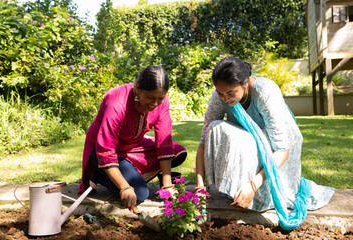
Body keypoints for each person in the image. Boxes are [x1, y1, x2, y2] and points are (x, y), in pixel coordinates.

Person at [194, 57, 334, 212]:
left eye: (231, 93)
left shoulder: (265, 91)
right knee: (214, 128)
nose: (225, 98)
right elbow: (203, 141)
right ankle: (238, 191)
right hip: (249, 138)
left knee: (263, 195)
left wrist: (253, 185)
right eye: (220, 93)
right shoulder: (219, 96)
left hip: (279, 145)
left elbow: (282, 149)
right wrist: (200, 186)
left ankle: (253, 192)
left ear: (245, 83)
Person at [78, 65, 187, 211]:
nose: (155, 104)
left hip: (132, 146)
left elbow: (164, 142)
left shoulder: (162, 100)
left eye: (159, 99)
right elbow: (105, 150)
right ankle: (98, 173)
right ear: (137, 87)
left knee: (178, 152)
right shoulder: (117, 101)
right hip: (102, 151)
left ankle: (130, 173)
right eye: (150, 98)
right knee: (140, 194)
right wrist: (124, 187)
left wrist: (167, 184)